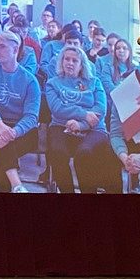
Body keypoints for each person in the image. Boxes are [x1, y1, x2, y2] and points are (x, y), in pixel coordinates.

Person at [0, 31, 42, 193]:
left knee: (3, 147)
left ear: (15, 50)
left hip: (24, 130)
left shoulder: (30, 80)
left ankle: (15, 187)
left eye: (2, 47)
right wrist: (0, 125)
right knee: (2, 146)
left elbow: (31, 116)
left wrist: (12, 133)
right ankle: (17, 186)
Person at [45, 45, 108, 193]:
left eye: (74, 60)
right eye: (66, 59)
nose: (70, 63)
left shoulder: (94, 82)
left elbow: (100, 109)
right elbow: (57, 108)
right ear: (61, 61)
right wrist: (84, 114)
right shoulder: (52, 83)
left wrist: (81, 125)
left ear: (81, 65)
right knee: (57, 152)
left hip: (94, 128)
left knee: (84, 153)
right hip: (61, 126)